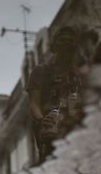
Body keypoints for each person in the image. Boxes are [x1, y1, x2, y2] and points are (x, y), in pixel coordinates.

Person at [26, 26, 84, 164]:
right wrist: (42, 120)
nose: (66, 44)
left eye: (70, 41)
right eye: (62, 40)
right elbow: (34, 103)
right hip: (51, 127)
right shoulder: (41, 71)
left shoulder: (79, 75)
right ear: (54, 44)